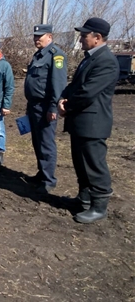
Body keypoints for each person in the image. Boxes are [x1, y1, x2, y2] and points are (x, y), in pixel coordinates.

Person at [58, 17, 119, 224]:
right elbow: (74, 85)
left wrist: (68, 104)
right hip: (80, 122)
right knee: (80, 163)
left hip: (93, 124)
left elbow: (88, 92)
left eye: (84, 35)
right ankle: (84, 199)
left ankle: (99, 205)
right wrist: (63, 98)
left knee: (94, 165)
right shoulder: (89, 57)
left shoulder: (106, 61)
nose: (81, 39)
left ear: (97, 37)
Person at [24, 24, 68, 193]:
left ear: (49, 36)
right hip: (34, 105)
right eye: (35, 36)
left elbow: (58, 85)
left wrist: (53, 108)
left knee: (46, 143)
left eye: (39, 36)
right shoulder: (38, 55)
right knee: (37, 141)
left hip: (45, 107)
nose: (36, 39)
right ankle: (42, 173)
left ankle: (49, 180)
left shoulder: (56, 56)